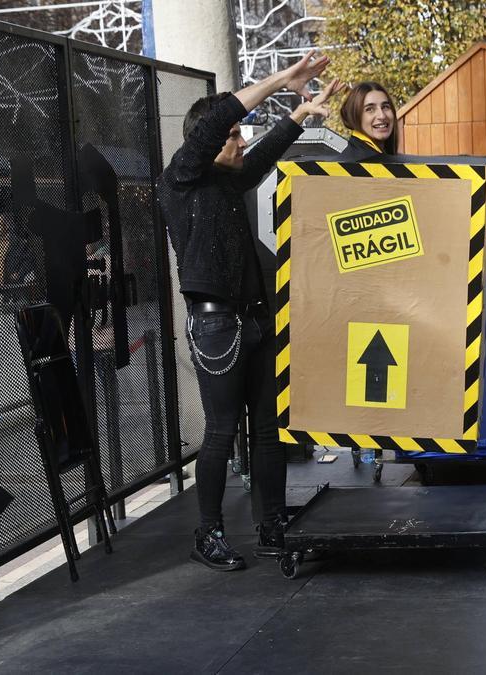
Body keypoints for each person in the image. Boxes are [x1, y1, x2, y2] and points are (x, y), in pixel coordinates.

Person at [157, 53, 343, 572]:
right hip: (216, 324)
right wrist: (281, 80)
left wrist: (300, 115)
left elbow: (261, 159)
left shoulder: (225, 181)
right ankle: (208, 533)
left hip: (255, 318)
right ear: (208, 140)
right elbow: (218, 119)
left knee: (267, 430)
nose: (240, 140)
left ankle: (272, 523)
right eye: (234, 134)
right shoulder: (183, 177)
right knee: (221, 431)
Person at [337, 81, 398, 160]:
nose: (382, 116)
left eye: (385, 107)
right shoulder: (359, 163)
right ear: (354, 116)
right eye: (370, 109)